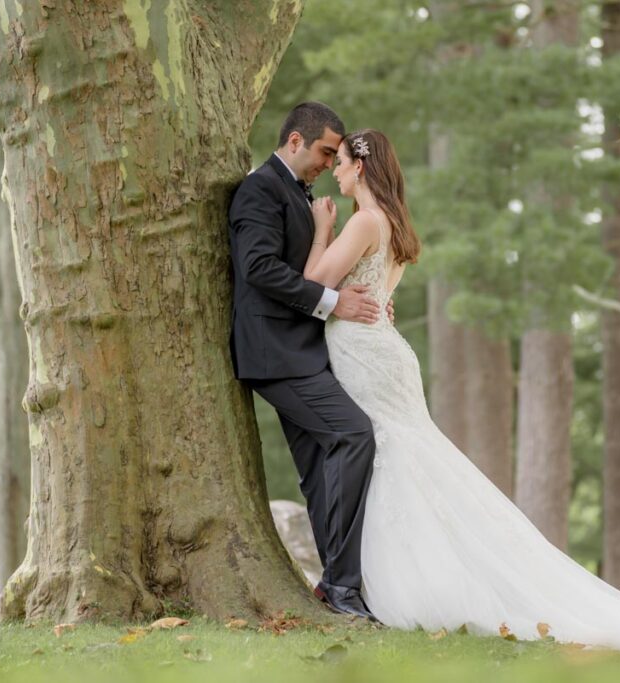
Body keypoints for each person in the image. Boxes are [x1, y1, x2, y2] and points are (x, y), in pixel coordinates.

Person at [301, 127, 620, 663]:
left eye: (338, 161)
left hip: (367, 355)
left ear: (359, 167)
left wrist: (319, 230)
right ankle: (376, 576)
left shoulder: (362, 220)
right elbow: (380, 298)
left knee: (392, 457)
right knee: (398, 457)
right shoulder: (395, 225)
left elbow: (314, 279)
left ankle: (389, 581)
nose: (334, 170)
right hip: (384, 352)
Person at [228, 102, 381, 621]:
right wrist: (334, 303)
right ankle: (342, 584)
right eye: (324, 152)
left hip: (302, 351)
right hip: (274, 354)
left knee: (321, 470)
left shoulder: (301, 193)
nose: (327, 162)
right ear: (295, 141)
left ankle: (337, 588)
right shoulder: (259, 189)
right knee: (354, 434)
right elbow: (259, 268)